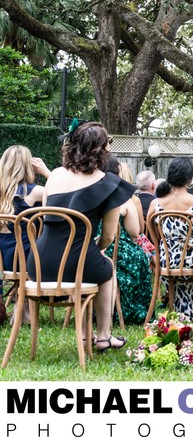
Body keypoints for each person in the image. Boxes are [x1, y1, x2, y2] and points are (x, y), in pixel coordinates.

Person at [28, 122, 132, 351]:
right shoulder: (110, 184)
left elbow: (47, 217)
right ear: (101, 150)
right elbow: (108, 236)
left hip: (37, 264)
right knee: (105, 268)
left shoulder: (54, 175)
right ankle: (103, 336)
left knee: (88, 261)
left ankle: (87, 336)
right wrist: (95, 246)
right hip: (77, 262)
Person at [152, 157, 193, 320]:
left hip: (167, 262)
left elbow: (154, 238)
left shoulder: (156, 204)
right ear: (189, 178)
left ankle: (180, 310)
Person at [103, 156, 151, 324]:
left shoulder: (83, 192)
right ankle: (130, 310)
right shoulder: (124, 198)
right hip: (117, 252)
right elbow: (135, 232)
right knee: (140, 258)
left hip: (89, 251)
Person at [0, 145, 48, 275]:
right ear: (28, 166)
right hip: (24, 261)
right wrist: (47, 173)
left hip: (1, 262)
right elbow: (63, 195)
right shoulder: (35, 192)